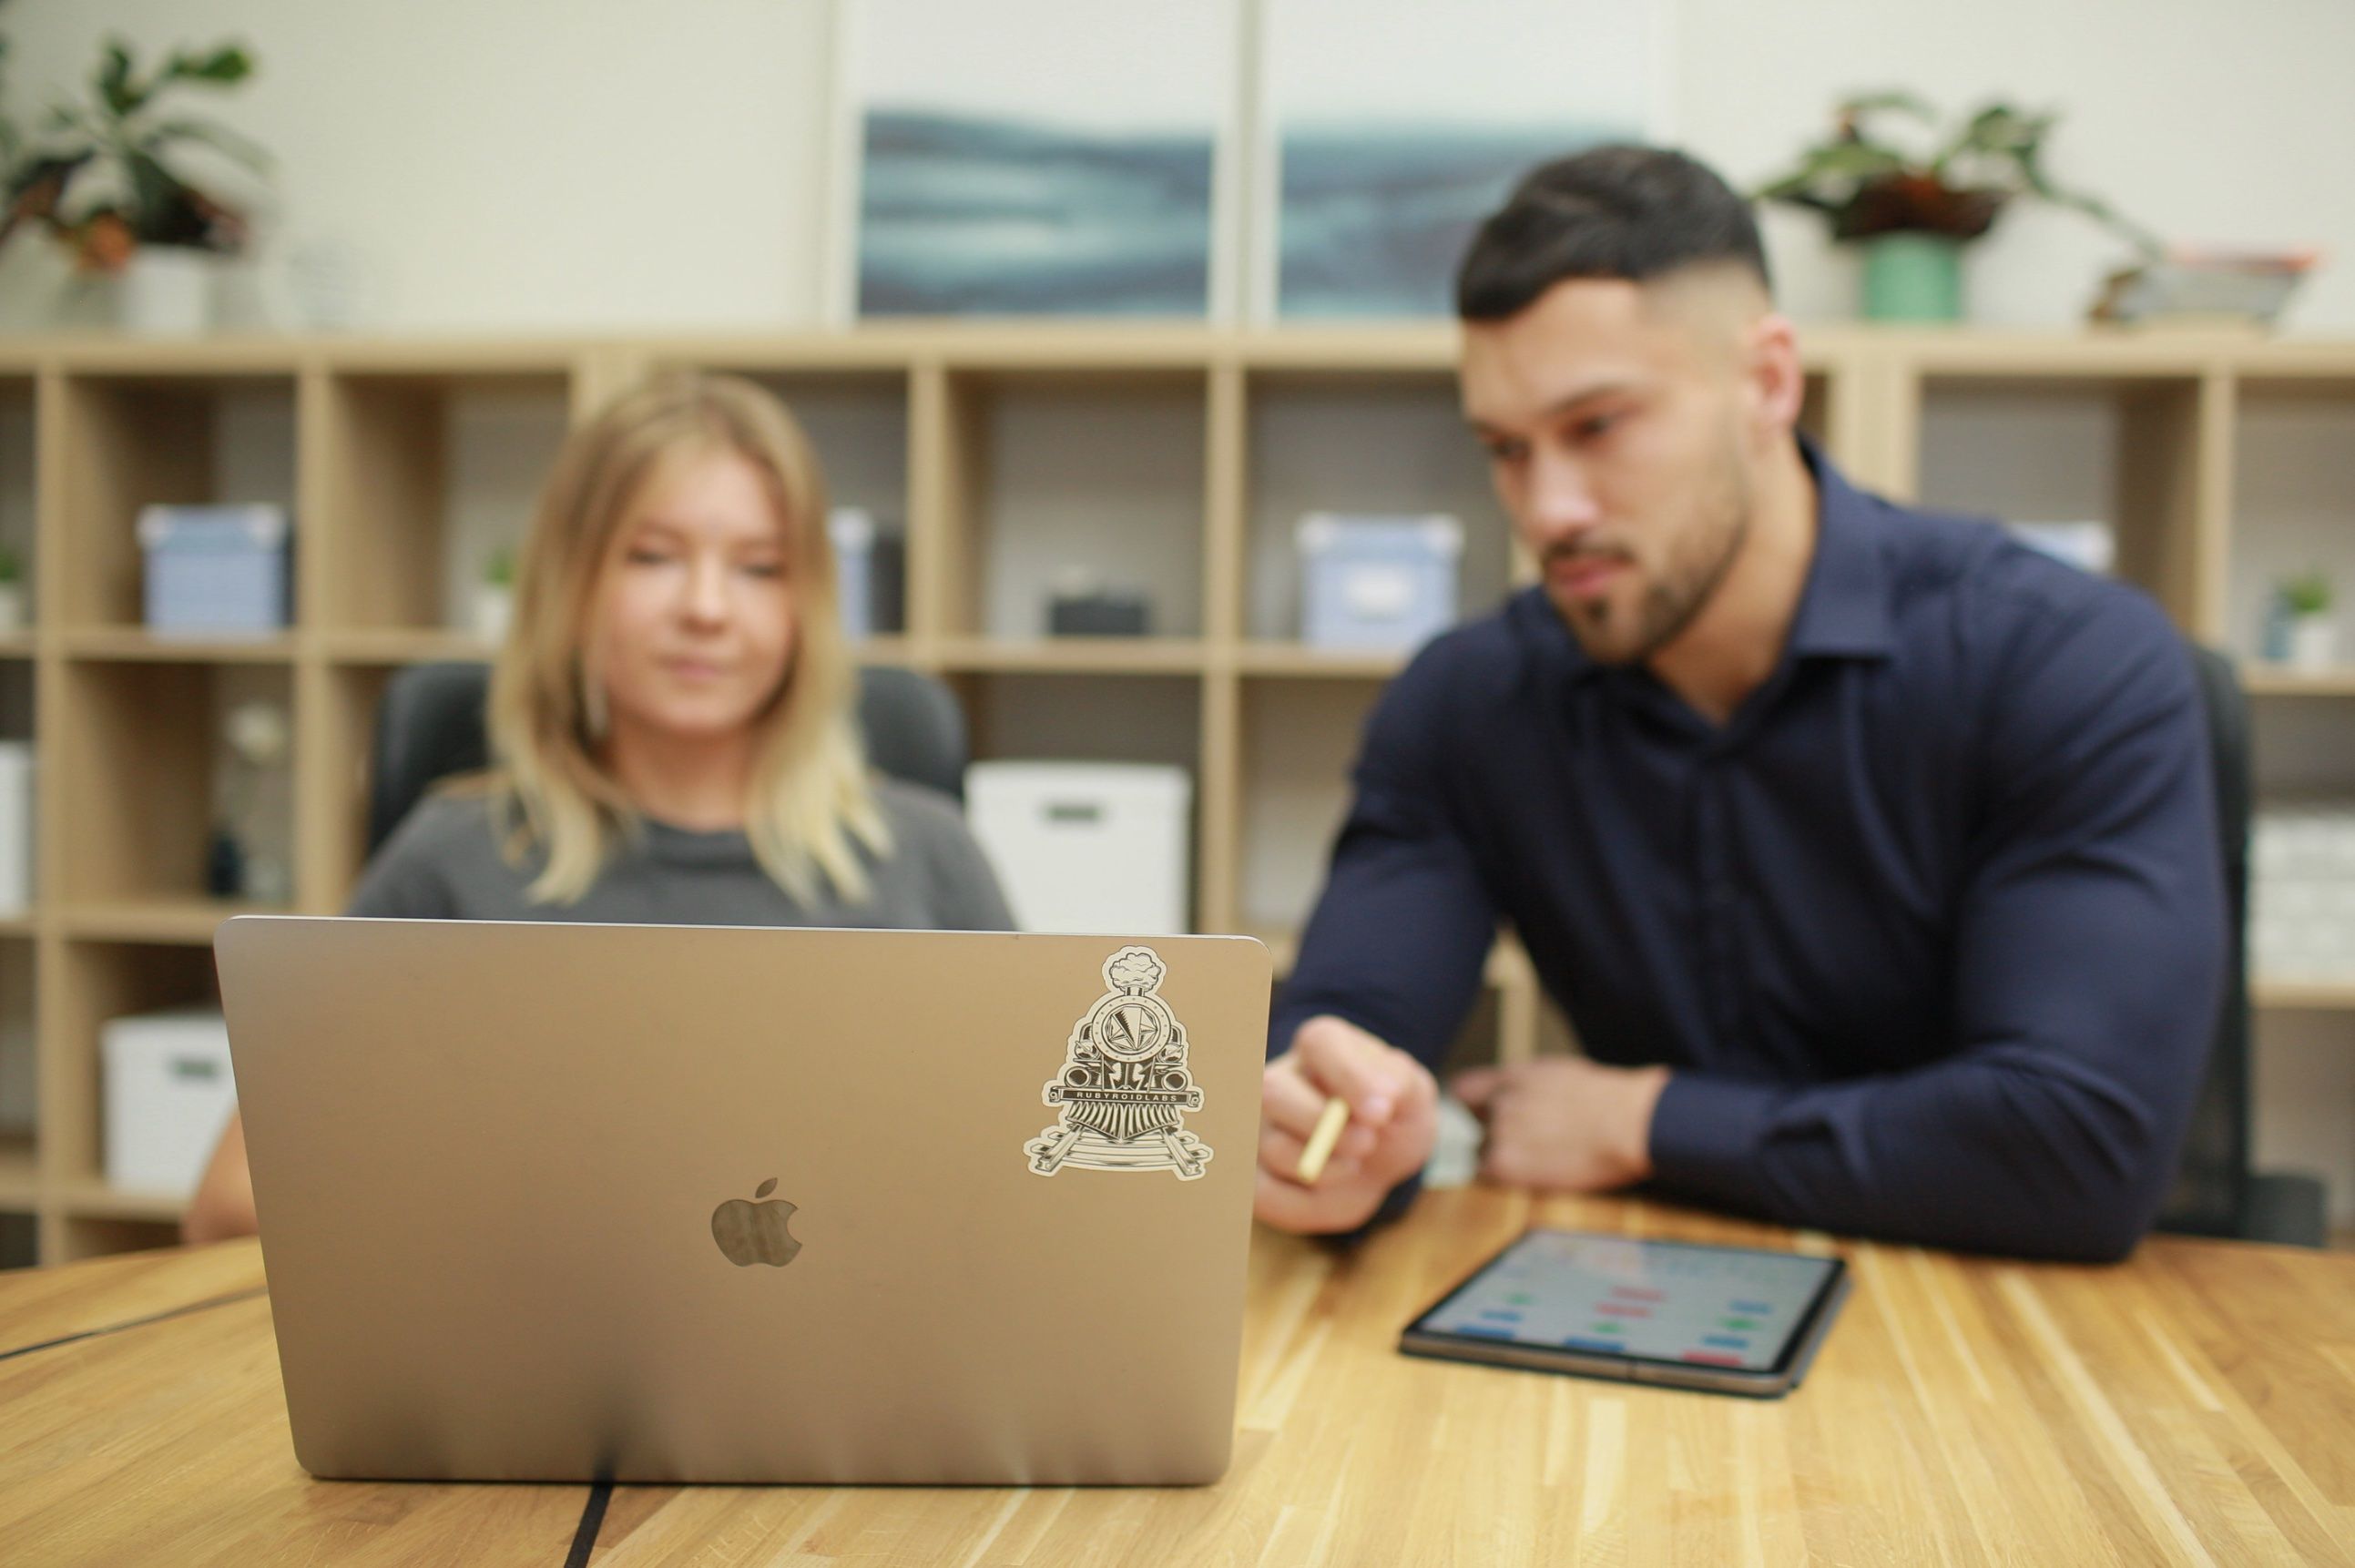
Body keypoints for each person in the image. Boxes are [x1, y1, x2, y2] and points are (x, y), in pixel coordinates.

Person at [1252, 146, 2225, 1263]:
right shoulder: (1469, 701)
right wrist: (1332, 1127)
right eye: (1506, 451)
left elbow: (2074, 1151)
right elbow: (1348, 1024)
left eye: (1599, 425)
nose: (1548, 510)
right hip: (1644, 1308)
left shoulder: (2062, 661)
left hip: (2001, 1329)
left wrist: (1641, 1121)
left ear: (1766, 381)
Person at [185, 373, 1013, 1243]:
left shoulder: (931, 856)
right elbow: (229, 1204)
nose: (705, 608)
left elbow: (1035, 1181)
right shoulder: (451, 860)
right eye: (652, 556)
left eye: (760, 568)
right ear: (571, 584)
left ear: (807, 605)